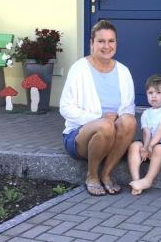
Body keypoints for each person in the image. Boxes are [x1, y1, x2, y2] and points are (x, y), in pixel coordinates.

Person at [59, 20, 137, 197]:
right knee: (105, 125)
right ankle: (92, 176)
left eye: (111, 41)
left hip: (112, 135)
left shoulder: (123, 71)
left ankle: (106, 173)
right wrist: (99, 117)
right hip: (79, 137)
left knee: (129, 120)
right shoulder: (79, 69)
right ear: (92, 43)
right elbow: (65, 108)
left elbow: (128, 109)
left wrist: (116, 120)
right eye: (101, 41)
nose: (107, 46)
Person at [128, 74, 161, 195]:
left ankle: (148, 180)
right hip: (150, 147)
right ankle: (137, 181)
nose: (154, 96)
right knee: (134, 145)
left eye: (158, 92)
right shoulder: (146, 113)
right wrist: (145, 147)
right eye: (150, 92)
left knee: (158, 148)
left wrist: (150, 146)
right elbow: (146, 132)